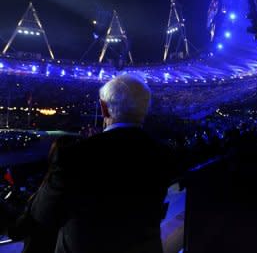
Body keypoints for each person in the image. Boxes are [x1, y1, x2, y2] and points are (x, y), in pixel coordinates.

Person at [30, 73, 179, 253]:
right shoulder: (165, 154)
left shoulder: (77, 155)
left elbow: (43, 214)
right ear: (145, 109)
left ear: (104, 108)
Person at [8, 135, 81, 253]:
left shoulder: (52, 190)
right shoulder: (84, 191)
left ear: (54, 156)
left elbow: (18, 231)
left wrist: (7, 211)